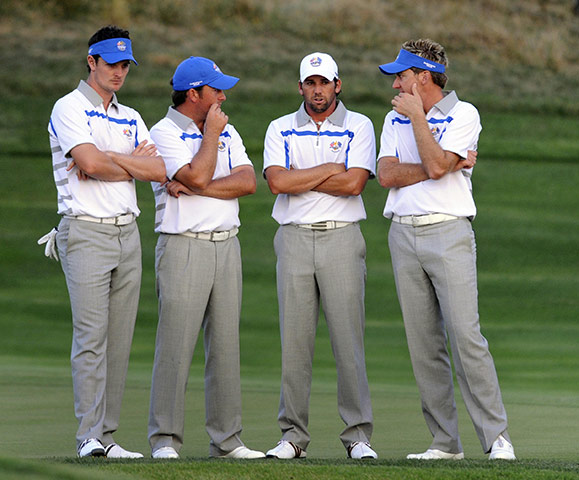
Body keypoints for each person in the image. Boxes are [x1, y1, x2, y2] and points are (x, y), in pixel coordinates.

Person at [376, 39, 516, 460]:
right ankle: (444, 443)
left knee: (465, 336)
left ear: (422, 77)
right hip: (402, 234)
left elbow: (436, 166)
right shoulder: (392, 116)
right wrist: (448, 162)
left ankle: (496, 439)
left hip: (449, 232)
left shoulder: (464, 113)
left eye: (401, 76)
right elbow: (386, 174)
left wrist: (423, 126)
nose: (395, 84)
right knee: (424, 344)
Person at [44, 25, 166, 458]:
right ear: (91, 61)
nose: (119, 73)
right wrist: (122, 161)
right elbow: (89, 163)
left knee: (118, 339)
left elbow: (157, 170)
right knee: (92, 337)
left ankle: (108, 437)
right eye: (111, 64)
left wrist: (109, 159)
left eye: (125, 66)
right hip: (85, 231)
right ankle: (88, 435)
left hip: (126, 233)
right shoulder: (68, 107)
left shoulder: (130, 116)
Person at [147, 56, 263, 460]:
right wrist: (209, 142)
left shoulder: (226, 130)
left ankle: (227, 441)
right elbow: (194, 174)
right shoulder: (163, 131)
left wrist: (197, 184)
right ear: (193, 94)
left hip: (227, 244)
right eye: (216, 90)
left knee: (226, 346)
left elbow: (247, 182)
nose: (223, 96)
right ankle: (165, 439)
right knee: (176, 344)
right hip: (183, 245)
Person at [263, 52, 377, 460]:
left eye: (324, 82)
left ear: (337, 85)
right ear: (300, 87)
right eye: (309, 83)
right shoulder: (279, 127)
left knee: (349, 341)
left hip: (342, 239)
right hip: (293, 239)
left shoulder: (359, 125)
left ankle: (358, 437)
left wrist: (303, 179)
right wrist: (331, 167)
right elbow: (277, 182)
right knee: (295, 344)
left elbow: (354, 185)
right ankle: (293, 437)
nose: (317, 90)